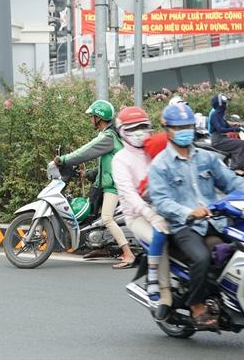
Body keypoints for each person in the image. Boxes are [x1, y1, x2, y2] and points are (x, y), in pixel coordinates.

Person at [148, 103, 244, 327]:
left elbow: (231, 182)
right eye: (178, 128)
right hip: (184, 227)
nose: (184, 131)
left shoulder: (207, 158)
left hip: (215, 221)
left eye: (187, 126)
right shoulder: (161, 165)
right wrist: (189, 212)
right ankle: (196, 306)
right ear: (167, 129)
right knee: (202, 258)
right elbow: (161, 201)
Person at [111, 106, 173, 318]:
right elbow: (129, 195)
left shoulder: (155, 150)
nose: (140, 132)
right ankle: (160, 287)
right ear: (122, 131)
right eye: (133, 128)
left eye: (143, 127)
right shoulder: (120, 160)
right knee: (160, 236)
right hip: (137, 216)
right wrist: (151, 216)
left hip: (164, 206)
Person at [54, 100, 128, 268]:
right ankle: (103, 247)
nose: (90, 119)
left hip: (114, 186)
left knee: (107, 218)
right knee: (94, 219)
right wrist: (86, 174)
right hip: (107, 183)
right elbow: (105, 165)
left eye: (92, 116)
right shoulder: (108, 136)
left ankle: (128, 253)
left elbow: (85, 151)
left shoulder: (108, 137)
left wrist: (63, 159)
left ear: (99, 118)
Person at [208, 93, 244, 175]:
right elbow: (220, 129)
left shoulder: (221, 115)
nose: (226, 105)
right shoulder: (214, 115)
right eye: (225, 103)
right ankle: (235, 167)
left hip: (222, 138)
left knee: (240, 142)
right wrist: (234, 129)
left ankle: (242, 164)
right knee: (241, 144)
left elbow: (227, 125)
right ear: (220, 104)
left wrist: (239, 127)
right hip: (218, 140)